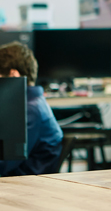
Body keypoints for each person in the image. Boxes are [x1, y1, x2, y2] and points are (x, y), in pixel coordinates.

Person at [0, 41, 63, 176]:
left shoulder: (28, 110)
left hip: (23, 184)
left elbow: (6, 161)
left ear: (13, 76)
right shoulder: (33, 103)